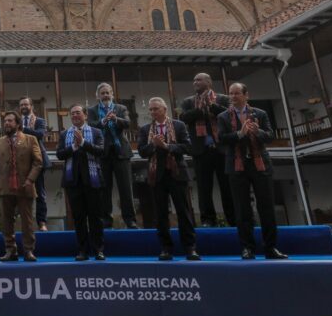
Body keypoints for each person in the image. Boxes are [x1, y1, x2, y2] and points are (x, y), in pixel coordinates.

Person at [217, 83, 286, 260]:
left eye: (237, 93)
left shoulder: (260, 114)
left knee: (266, 207)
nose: (233, 97)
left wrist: (259, 131)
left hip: (260, 164)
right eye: (230, 94)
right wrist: (239, 134)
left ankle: (271, 247)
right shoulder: (223, 117)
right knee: (242, 209)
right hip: (237, 165)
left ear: (246, 95)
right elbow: (222, 140)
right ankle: (247, 248)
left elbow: (270, 136)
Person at [137, 98, 201, 261]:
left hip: (177, 173)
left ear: (165, 109)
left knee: (183, 211)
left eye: (155, 109)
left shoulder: (178, 125)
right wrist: (154, 145)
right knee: (161, 213)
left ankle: (190, 248)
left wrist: (166, 146)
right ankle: (166, 248)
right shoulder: (145, 129)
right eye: (150, 110)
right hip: (156, 175)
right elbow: (142, 152)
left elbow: (187, 147)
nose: (152, 112)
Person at [0, 111, 42, 261]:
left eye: (10, 121)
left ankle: (29, 250)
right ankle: (10, 250)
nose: (7, 123)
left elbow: (38, 162)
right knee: (6, 222)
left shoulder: (31, 139)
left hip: (25, 185)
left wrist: (30, 180)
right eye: (5, 121)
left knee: (27, 221)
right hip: (5, 187)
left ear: (18, 124)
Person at [180, 73, 236, 227]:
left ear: (209, 82)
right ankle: (207, 219)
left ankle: (233, 219)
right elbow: (184, 117)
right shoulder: (188, 101)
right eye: (194, 80)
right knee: (204, 188)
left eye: (199, 79)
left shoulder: (223, 98)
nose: (195, 82)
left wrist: (212, 106)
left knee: (227, 187)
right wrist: (201, 109)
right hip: (200, 150)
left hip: (221, 149)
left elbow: (230, 116)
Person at [58, 104, 106, 261]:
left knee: (95, 217)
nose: (75, 116)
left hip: (93, 181)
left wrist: (84, 143)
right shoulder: (65, 134)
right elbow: (59, 154)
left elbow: (100, 151)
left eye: (78, 113)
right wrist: (73, 146)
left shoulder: (96, 132)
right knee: (78, 218)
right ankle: (82, 250)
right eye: (72, 114)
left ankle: (98, 249)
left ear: (85, 115)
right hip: (73, 182)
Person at [89, 83, 138, 229]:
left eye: (107, 93)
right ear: (97, 95)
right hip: (102, 153)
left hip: (121, 152)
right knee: (104, 189)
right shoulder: (92, 110)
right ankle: (106, 219)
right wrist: (104, 121)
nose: (105, 95)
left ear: (112, 94)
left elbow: (128, 123)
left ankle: (130, 219)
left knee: (126, 188)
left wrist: (115, 119)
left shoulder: (120, 108)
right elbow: (91, 126)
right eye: (102, 93)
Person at [18, 97, 49, 231]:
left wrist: (23, 129)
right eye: (21, 105)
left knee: (40, 193)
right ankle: (27, 223)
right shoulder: (16, 121)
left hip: (38, 160)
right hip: (22, 161)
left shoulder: (40, 120)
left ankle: (42, 222)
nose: (23, 106)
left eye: (26, 104)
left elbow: (40, 135)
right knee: (22, 193)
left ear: (31, 106)